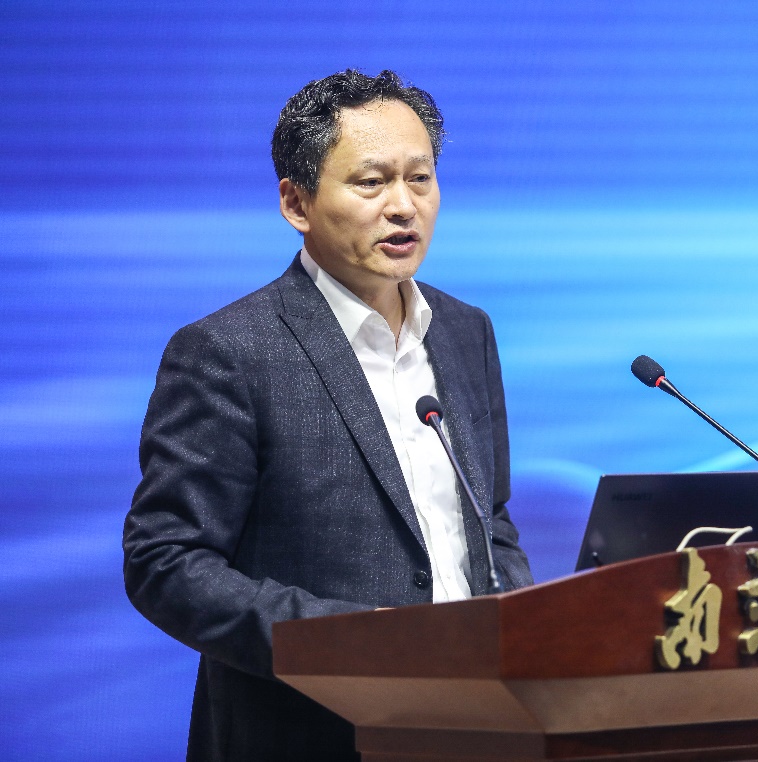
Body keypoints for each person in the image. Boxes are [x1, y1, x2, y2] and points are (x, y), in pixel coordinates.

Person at [123, 69, 533, 762]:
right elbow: (165, 562)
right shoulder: (228, 352)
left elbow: (486, 520)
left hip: (476, 726)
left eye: (421, 179)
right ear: (296, 202)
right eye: (371, 183)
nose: (403, 206)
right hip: (307, 732)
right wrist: (350, 643)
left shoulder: (466, 332)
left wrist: (527, 638)